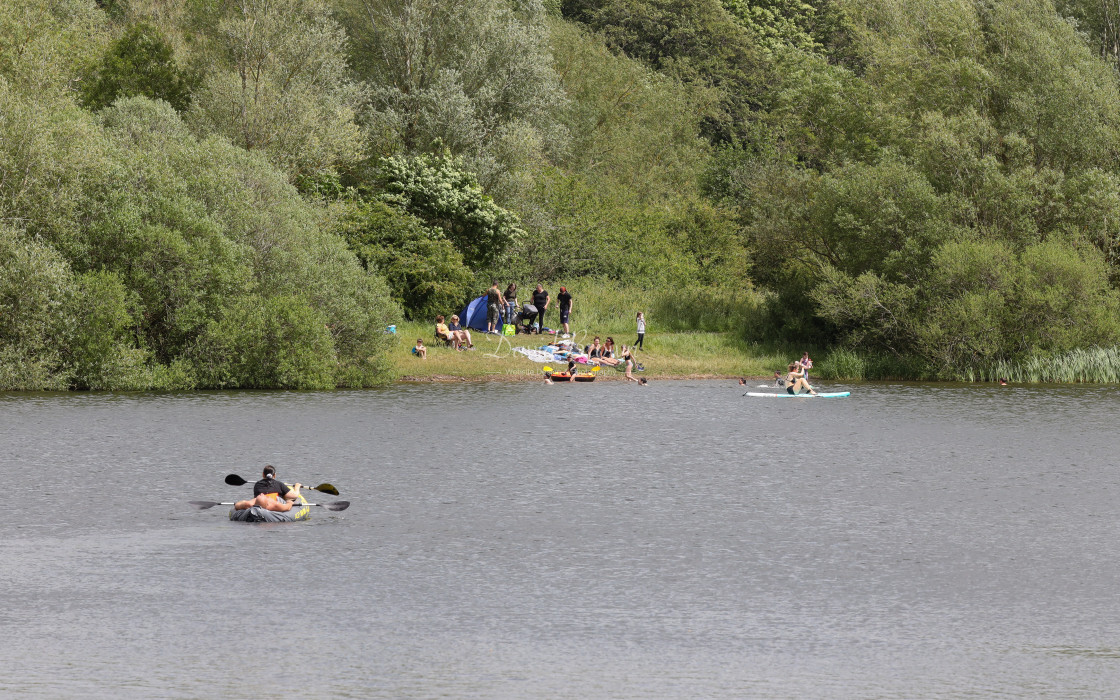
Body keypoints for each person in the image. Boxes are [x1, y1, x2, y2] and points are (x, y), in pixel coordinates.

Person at [234, 465, 302, 512]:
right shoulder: (279, 484)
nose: (261, 495)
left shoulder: (257, 484)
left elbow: (239, 505)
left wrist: (238, 504)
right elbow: (294, 496)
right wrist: (297, 487)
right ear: (274, 475)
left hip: (271, 500)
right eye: (261, 495)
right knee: (289, 497)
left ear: (263, 474)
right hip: (271, 502)